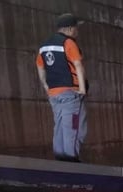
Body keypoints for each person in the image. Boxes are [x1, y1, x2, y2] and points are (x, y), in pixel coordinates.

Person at [36, 13, 88, 162]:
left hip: (54, 94)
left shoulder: (44, 46)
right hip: (70, 94)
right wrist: (83, 89)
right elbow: (78, 65)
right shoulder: (69, 43)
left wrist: (46, 86)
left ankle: (60, 160)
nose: (77, 31)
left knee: (59, 126)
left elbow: (40, 67)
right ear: (70, 29)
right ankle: (71, 162)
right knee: (74, 127)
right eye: (76, 28)